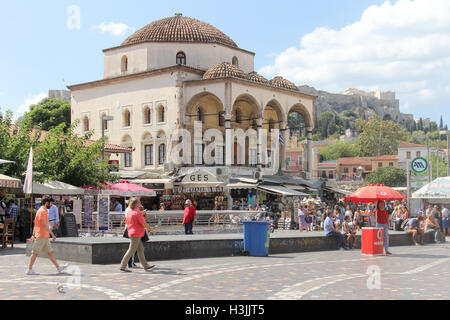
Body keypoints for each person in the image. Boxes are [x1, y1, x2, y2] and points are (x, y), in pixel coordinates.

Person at [27, 195, 69, 275]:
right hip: (41, 235)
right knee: (35, 252)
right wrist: (52, 234)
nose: (51, 205)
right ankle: (30, 269)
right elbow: (44, 224)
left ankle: (58, 267)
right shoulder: (42, 211)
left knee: (50, 252)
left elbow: (37, 223)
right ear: (46, 203)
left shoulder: (44, 210)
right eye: (51, 203)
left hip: (44, 236)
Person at [120, 198, 156, 272]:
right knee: (131, 250)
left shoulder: (130, 212)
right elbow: (144, 223)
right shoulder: (137, 212)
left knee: (140, 249)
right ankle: (123, 266)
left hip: (132, 232)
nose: (140, 203)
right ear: (136, 204)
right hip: (136, 233)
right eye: (139, 202)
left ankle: (146, 266)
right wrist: (151, 230)